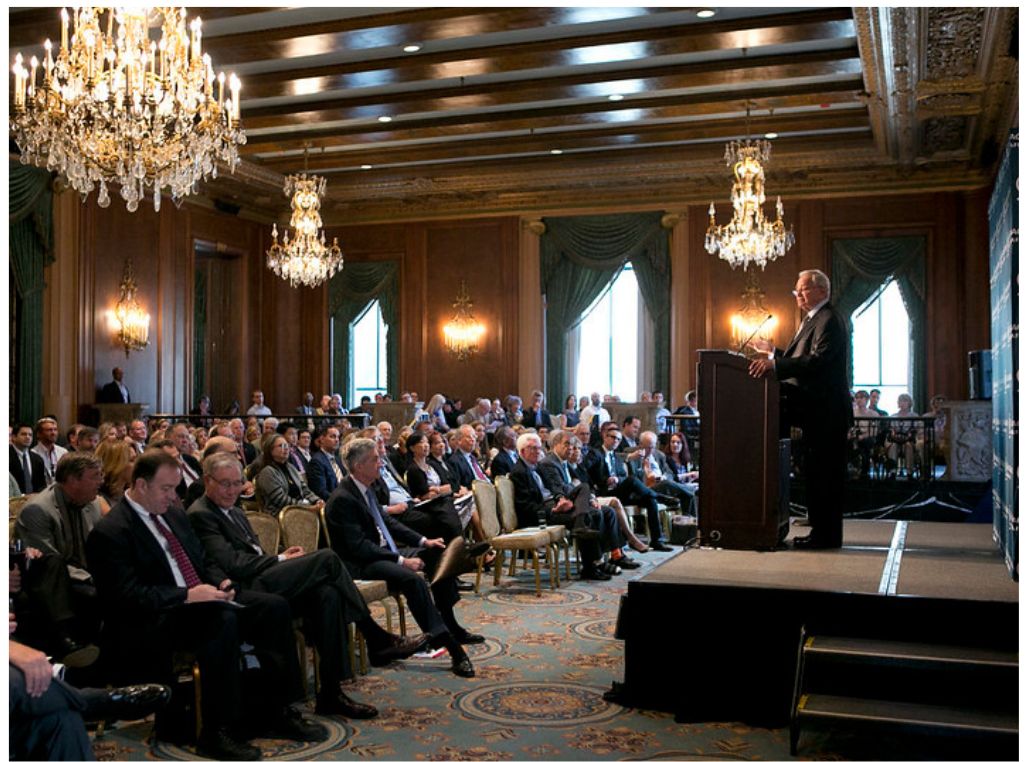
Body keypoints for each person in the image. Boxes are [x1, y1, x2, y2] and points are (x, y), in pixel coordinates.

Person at [85, 451, 327, 760]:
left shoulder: (172, 513)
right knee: (221, 621)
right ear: (141, 485)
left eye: (175, 488)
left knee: (273, 607)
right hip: (154, 618)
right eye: (166, 489)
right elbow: (125, 598)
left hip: (199, 599)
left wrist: (220, 581)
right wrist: (186, 596)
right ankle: (216, 730)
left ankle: (278, 709)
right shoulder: (111, 532)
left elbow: (203, 559)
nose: (174, 496)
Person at [187, 453, 427, 717]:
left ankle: (331, 693)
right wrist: (279, 559)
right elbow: (233, 563)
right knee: (327, 559)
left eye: (236, 483)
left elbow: (251, 554)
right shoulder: (201, 514)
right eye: (225, 484)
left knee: (327, 595)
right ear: (208, 481)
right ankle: (376, 637)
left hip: (262, 575)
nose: (233, 490)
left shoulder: (232, 508)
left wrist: (281, 557)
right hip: (244, 587)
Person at [324, 437, 481, 678]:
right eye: (375, 459)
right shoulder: (342, 499)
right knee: (413, 579)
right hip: (361, 564)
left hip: (382, 554)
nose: (381, 464)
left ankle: (449, 622)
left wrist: (422, 541)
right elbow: (359, 547)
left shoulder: (367, 487)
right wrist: (401, 561)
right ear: (358, 466)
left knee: (438, 554)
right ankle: (452, 647)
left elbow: (387, 523)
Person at [749, 269, 851, 550]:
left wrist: (775, 365)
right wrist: (773, 353)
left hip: (827, 413)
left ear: (822, 290)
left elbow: (818, 362)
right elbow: (802, 359)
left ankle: (826, 536)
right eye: (797, 291)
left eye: (804, 289)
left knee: (825, 477)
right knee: (817, 475)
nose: (799, 295)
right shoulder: (814, 319)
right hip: (816, 412)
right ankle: (821, 533)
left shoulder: (828, 319)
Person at [255, 434, 323, 515]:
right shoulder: (267, 472)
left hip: (300, 510)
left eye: (287, 445)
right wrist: (306, 506)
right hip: (279, 514)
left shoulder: (291, 467)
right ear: (270, 450)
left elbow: (304, 489)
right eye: (281, 446)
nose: (286, 448)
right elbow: (281, 500)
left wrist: (317, 500)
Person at [307, 425, 347, 501]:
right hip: (333, 503)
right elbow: (321, 492)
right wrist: (341, 501)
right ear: (322, 439)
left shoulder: (338, 459)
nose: (337, 440)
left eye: (338, 437)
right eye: (332, 437)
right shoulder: (317, 462)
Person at [11, 422, 47, 495]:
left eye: (30, 435)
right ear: (14, 437)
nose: (27, 437)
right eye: (23, 434)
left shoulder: (37, 459)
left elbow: (42, 485)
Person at [32, 417, 68, 486]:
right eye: (49, 430)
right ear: (39, 434)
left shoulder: (63, 452)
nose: (53, 433)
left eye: (55, 430)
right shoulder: (33, 453)